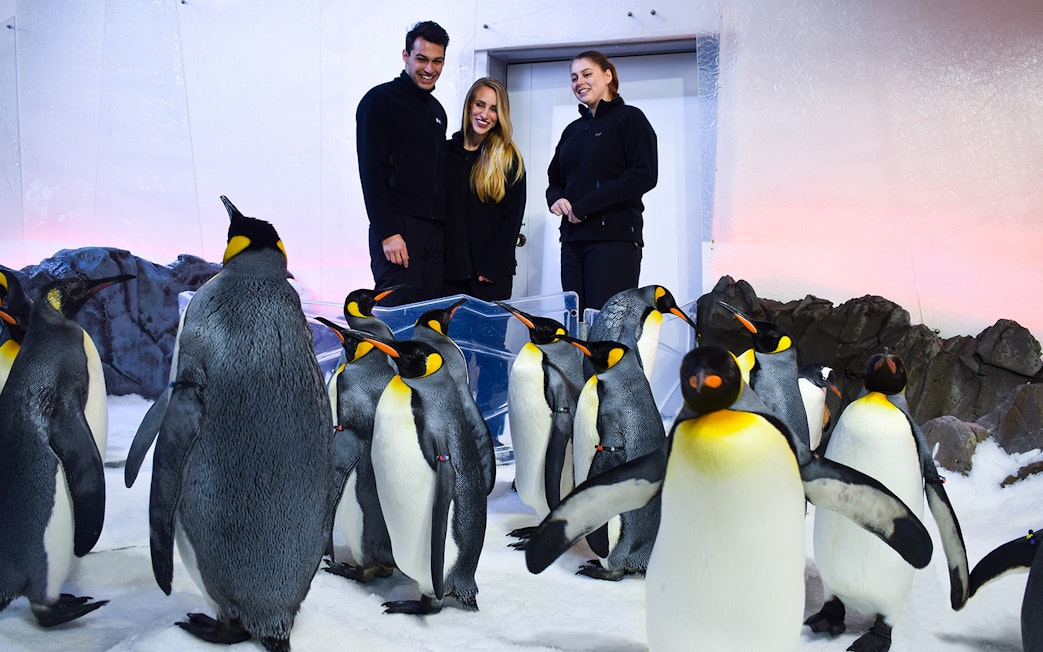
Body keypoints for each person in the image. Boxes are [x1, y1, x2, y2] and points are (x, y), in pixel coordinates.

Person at [546, 50, 658, 314]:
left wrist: (585, 207)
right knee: (576, 324)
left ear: (607, 76)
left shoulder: (630, 119)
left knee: (607, 326)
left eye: (587, 74)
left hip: (614, 241)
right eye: (574, 77)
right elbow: (555, 179)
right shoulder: (573, 130)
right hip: (573, 241)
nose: (579, 82)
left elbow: (644, 174)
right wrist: (556, 199)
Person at [356, 20, 450, 306]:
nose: (429, 69)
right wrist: (387, 233)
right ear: (406, 56)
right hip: (398, 231)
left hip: (433, 235)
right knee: (399, 321)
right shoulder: (379, 100)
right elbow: (370, 171)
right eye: (421, 59)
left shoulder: (437, 111)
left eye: (437, 61)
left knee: (429, 323)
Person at [443, 78, 526, 302]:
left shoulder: (509, 159)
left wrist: (492, 267)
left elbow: (512, 220)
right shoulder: (445, 153)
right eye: (480, 104)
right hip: (447, 279)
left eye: (494, 109)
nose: (485, 114)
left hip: (491, 279)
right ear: (469, 105)